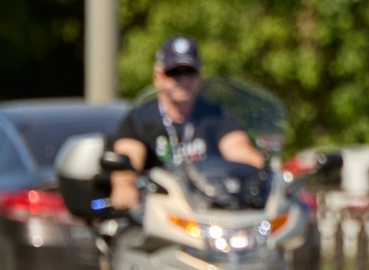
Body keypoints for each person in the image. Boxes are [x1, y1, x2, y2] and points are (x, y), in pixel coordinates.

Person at [109, 36, 263, 210]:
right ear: (157, 77)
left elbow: (240, 151)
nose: (183, 80)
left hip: (211, 209)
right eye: (174, 73)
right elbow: (127, 161)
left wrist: (263, 174)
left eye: (189, 72)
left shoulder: (216, 115)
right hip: (160, 212)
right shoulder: (140, 118)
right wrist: (124, 186)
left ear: (200, 77)